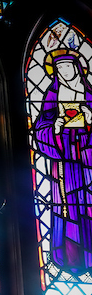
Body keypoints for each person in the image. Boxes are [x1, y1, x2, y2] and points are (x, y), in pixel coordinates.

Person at [32, 49, 92, 276]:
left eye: (68, 67)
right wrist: (55, 128)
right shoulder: (51, 95)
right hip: (64, 164)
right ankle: (70, 257)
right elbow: (41, 129)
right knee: (67, 211)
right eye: (60, 69)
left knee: (88, 205)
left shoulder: (89, 94)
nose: (64, 72)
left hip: (87, 159)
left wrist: (89, 119)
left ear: (77, 68)